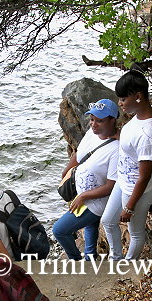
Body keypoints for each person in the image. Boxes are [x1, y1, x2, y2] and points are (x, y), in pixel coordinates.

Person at [101, 70, 152, 259]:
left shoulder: (148, 133)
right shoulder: (141, 115)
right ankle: (115, 259)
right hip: (123, 181)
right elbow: (133, 144)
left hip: (136, 191)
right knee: (107, 221)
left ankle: (127, 265)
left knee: (135, 232)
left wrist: (129, 207)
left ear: (138, 96)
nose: (120, 104)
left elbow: (144, 176)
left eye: (123, 99)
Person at [52, 99, 120, 260]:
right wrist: (67, 171)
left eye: (100, 121)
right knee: (90, 226)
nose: (93, 124)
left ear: (112, 120)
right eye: (92, 119)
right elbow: (79, 154)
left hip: (96, 202)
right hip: (83, 194)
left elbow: (111, 186)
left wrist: (83, 196)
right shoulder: (92, 133)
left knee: (59, 230)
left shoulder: (117, 149)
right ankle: (90, 257)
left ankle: (76, 260)